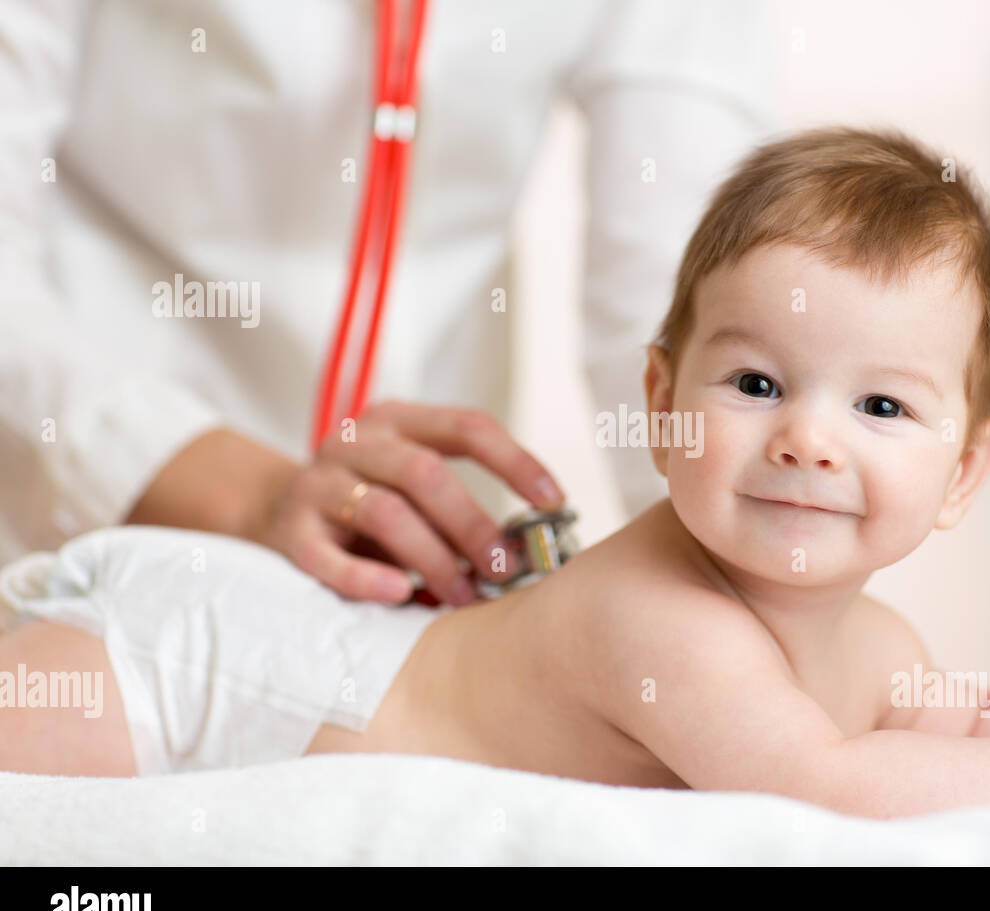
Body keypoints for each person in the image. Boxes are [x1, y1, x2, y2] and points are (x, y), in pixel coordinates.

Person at [0, 127, 990, 818]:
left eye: (882, 405)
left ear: (966, 470)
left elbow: (939, 716)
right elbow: (827, 779)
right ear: (662, 402)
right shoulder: (668, 618)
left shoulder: (884, 643)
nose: (808, 438)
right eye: (753, 385)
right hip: (227, 665)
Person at [0, 0, 779, 605]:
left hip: (425, 548)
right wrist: (244, 492)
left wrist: (747, 584)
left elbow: (685, 271)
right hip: (85, 505)